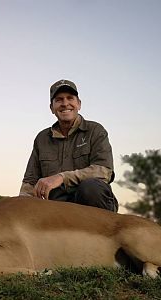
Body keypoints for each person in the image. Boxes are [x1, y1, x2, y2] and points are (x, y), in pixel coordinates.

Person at [19, 79, 118, 212]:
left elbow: (104, 171)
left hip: (93, 203)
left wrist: (62, 177)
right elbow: (30, 182)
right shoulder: (42, 138)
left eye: (70, 98)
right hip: (58, 207)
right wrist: (20, 209)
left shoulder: (96, 130)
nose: (65, 104)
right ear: (52, 108)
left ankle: (104, 230)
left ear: (79, 104)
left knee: (91, 187)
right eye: (59, 100)